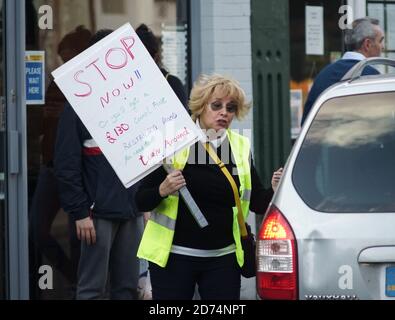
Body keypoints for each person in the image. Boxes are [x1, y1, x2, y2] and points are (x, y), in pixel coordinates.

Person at [135, 74, 282, 300]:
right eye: (217, 105)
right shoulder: (173, 141)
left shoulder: (240, 146)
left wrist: (273, 188)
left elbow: (257, 203)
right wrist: (162, 190)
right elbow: (140, 199)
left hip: (223, 259)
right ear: (201, 106)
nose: (224, 112)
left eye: (231, 108)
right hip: (174, 258)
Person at [54, 29, 143, 300]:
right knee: (92, 289)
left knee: (127, 288)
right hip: (96, 215)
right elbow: (65, 166)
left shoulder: (135, 102)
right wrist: (80, 213)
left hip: (133, 211)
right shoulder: (76, 108)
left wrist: (146, 205)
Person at [29, 25, 92, 297]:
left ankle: (80, 283)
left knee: (81, 235)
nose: (65, 65)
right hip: (52, 167)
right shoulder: (57, 82)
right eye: (63, 60)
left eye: (70, 59)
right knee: (36, 230)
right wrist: (44, 112)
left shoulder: (92, 84)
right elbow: (37, 126)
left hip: (81, 169)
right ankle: (71, 275)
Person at [301, 17, 384, 125]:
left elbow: (306, 123)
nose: (383, 46)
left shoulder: (323, 75)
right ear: (367, 44)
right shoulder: (373, 77)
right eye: (381, 41)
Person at [135, 23, 189, 111]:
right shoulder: (125, 88)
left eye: (141, 58)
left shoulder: (172, 84)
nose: (137, 64)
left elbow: (182, 121)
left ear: (155, 57)